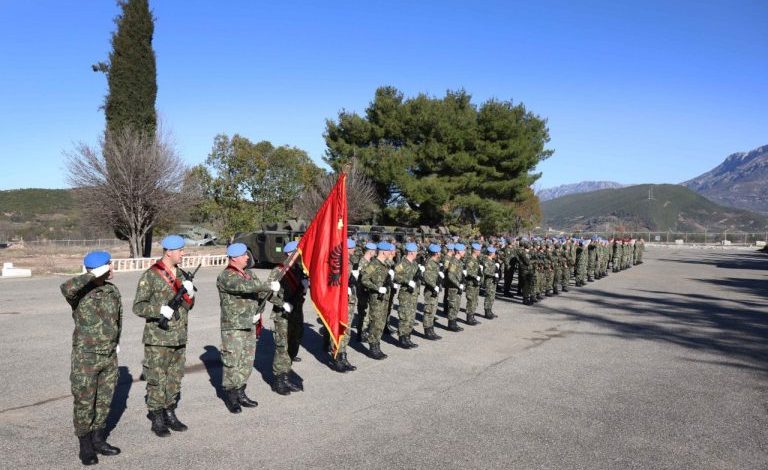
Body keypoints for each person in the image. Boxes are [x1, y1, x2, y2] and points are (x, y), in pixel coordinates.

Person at [60, 251, 122, 465]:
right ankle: (85, 445)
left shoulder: (112, 291)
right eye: (109, 264)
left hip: (109, 356)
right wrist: (91, 274)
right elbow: (65, 287)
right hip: (86, 357)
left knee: (104, 401)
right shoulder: (79, 292)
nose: (112, 267)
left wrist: (116, 342)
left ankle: (98, 439)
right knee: (85, 401)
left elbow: (118, 320)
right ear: (98, 269)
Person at [133, 235, 195, 437]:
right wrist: (159, 310)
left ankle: (170, 411)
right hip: (158, 338)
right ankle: (157, 416)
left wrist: (190, 295)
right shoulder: (151, 275)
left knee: (175, 377)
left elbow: (188, 306)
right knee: (157, 378)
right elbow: (138, 306)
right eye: (180, 250)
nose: (183, 253)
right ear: (169, 252)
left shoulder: (182, 275)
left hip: (179, 336)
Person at [216, 243, 280, 413]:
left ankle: (241, 391)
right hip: (234, 327)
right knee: (232, 361)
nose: (247, 257)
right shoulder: (226, 276)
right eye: (244, 255)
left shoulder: (249, 273)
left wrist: (271, 301)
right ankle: (231, 395)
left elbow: (260, 293)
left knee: (246, 361)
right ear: (234, 257)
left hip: (250, 324)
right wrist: (269, 285)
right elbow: (245, 287)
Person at [270, 240, 307, 395]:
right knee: (282, 347)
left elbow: (300, 291)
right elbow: (267, 293)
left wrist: (305, 286)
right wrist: (282, 303)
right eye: (298, 253)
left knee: (294, 343)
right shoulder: (279, 270)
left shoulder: (299, 269)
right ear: (290, 254)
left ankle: (286, 374)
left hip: (296, 313)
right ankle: (279, 380)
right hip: (283, 315)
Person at [360, 241, 394, 359]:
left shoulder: (386, 264)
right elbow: (364, 279)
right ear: (383, 252)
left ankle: (377, 345)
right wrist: (377, 288)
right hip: (377, 299)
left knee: (381, 323)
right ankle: (373, 348)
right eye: (389, 251)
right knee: (375, 322)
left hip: (385, 299)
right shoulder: (373, 264)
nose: (390, 253)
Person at [393, 242, 421, 349]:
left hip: (414, 294)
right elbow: (395, 276)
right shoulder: (401, 264)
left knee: (411, 317)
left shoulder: (415, 263)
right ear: (411, 252)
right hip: (405, 294)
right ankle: (402, 339)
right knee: (404, 316)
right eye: (416, 251)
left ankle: (408, 337)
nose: (417, 253)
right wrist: (407, 281)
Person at [421, 243, 443, 340]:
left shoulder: (435, 262)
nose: (440, 253)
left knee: (433, 310)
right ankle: (427, 331)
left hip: (434, 289)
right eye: (439, 252)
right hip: (430, 290)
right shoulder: (430, 262)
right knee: (429, 310)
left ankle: (431, 329)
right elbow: (426, 277)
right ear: (436, 253)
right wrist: (434, 286)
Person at [444, 243, 466, 331]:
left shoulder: (459, 261)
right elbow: (450, 275)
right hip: (453, 287)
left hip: (457, 287)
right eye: (463, 250)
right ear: (458, 252)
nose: (464, 252)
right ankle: (451, 325)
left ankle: (454, 323)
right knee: (453, 306)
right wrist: (458, 284)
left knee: (456, 305)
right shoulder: (453, 262)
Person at [481, 246, 500, 318]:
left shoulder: (492, 260)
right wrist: (494, 274)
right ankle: (487, 312)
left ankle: (490, 310)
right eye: (494, 253)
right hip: (489, 281)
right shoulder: (486, 261)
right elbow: (486, 271)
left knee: (492, 296)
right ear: (491, 253)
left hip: (493, 281)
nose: (495, 254)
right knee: (488, 296)